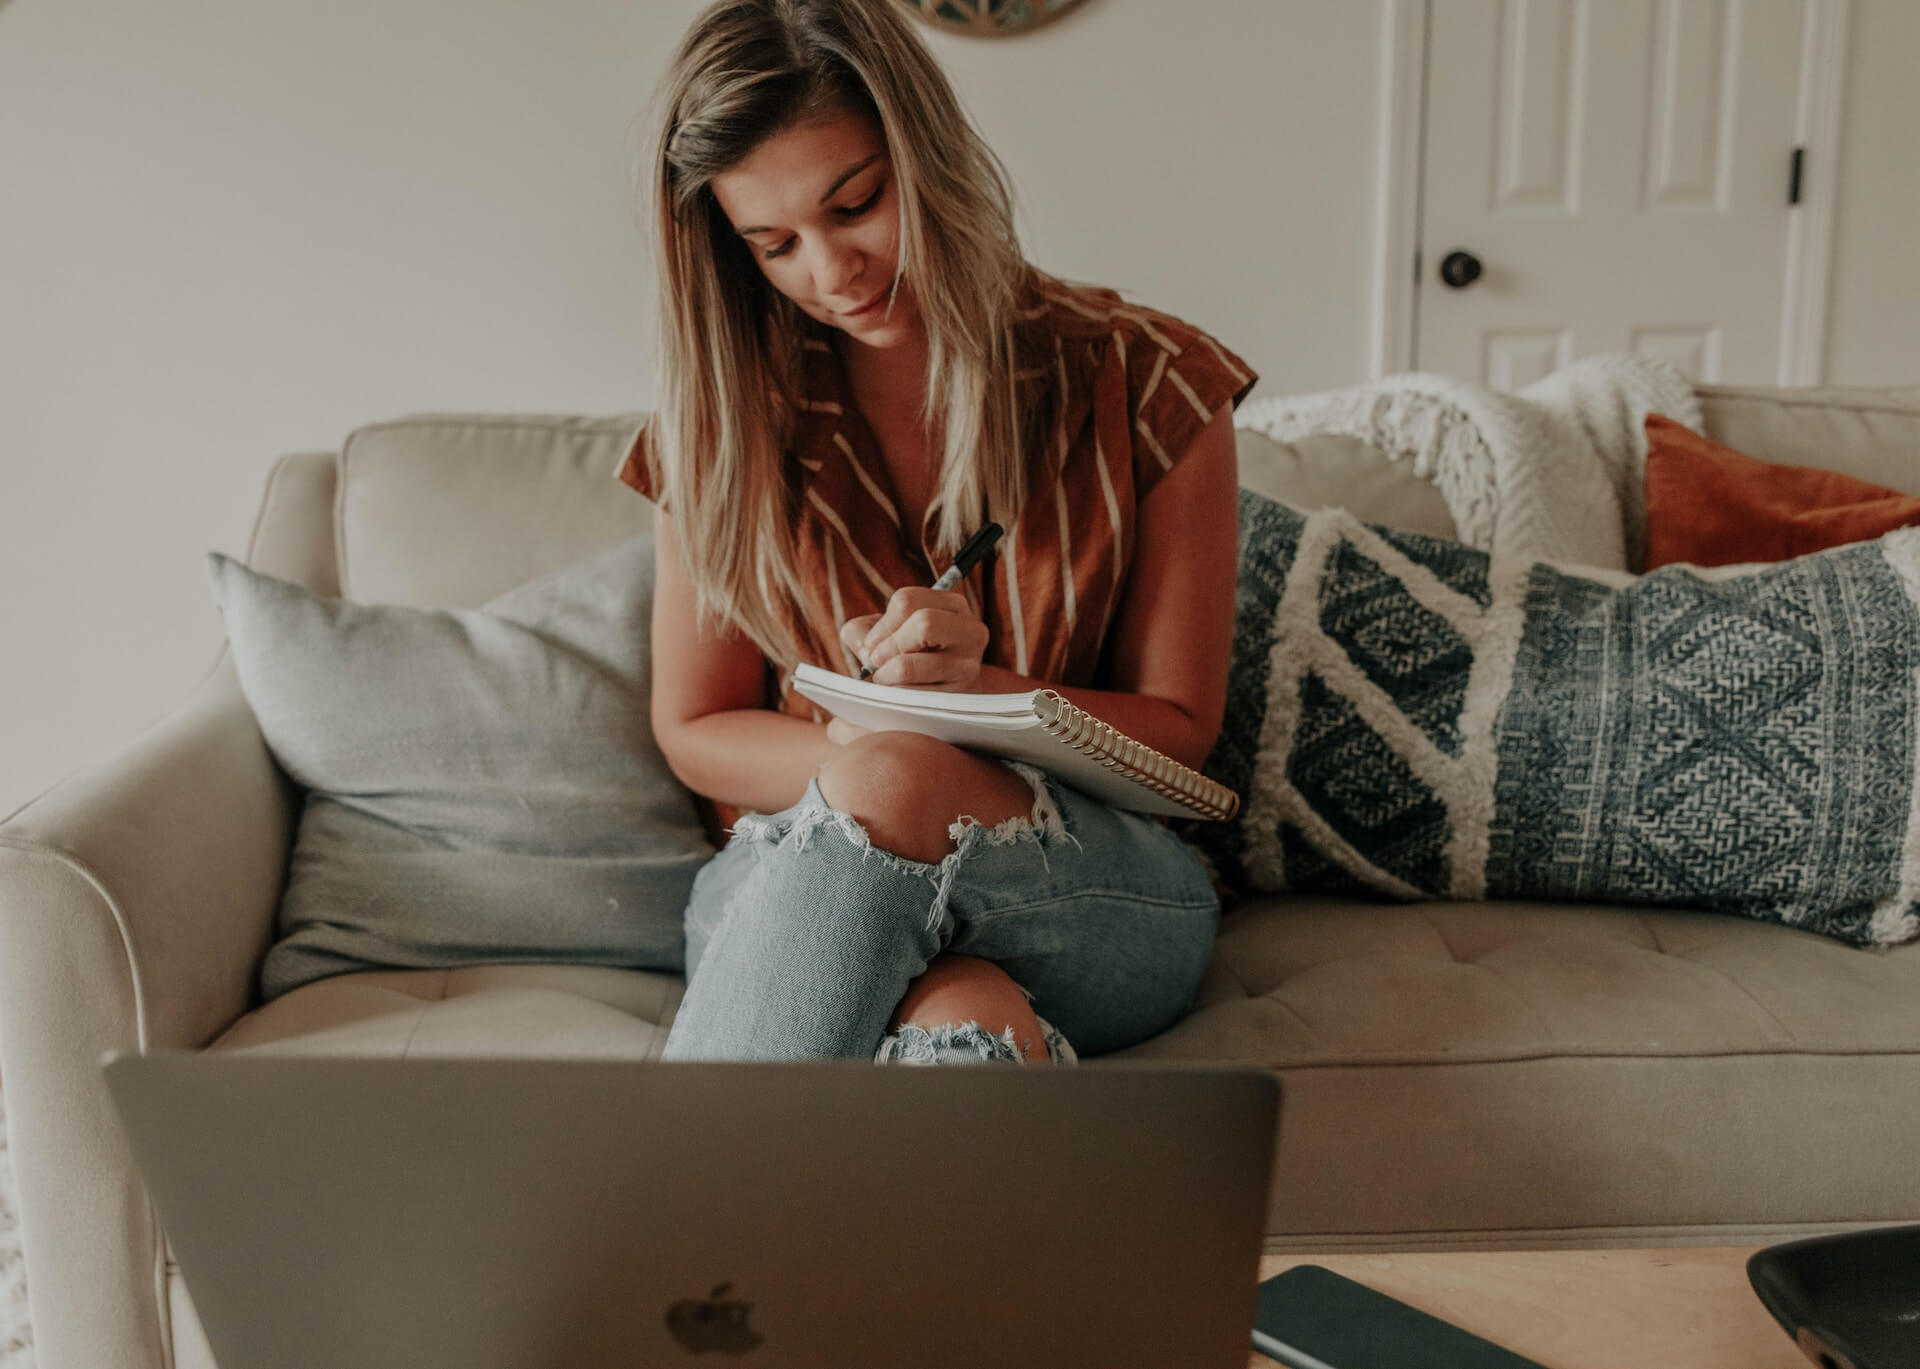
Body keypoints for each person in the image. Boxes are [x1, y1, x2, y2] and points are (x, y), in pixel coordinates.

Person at [620, 0, 1255, 1066]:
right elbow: (695, 729)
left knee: (901, 779)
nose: (831, 273)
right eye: (773, 245)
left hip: (1092, 887)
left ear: (929, 154)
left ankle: (667, 1217)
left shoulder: (1150, 378)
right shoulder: (722, 422)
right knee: (961, 1019)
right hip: (794, 872)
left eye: (858, 204)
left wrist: (979, 704)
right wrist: (859, 751)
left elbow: (1181, 727)